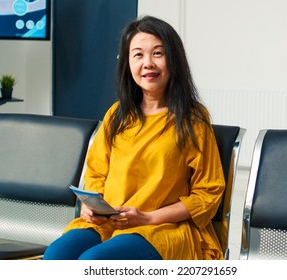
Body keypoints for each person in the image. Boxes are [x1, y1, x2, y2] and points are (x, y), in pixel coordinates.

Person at [43, 15, 225, 260]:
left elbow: (208, 193)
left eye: (158, 53)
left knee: (92, 262)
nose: (148, 63)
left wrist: (148, 217)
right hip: (109, 224)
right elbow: (96, 174)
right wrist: (91, 207)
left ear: (174, 60)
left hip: (161, 227)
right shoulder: (116, 114)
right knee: (56, 255)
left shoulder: (193, 118)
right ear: (127, 64)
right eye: (138, 55)